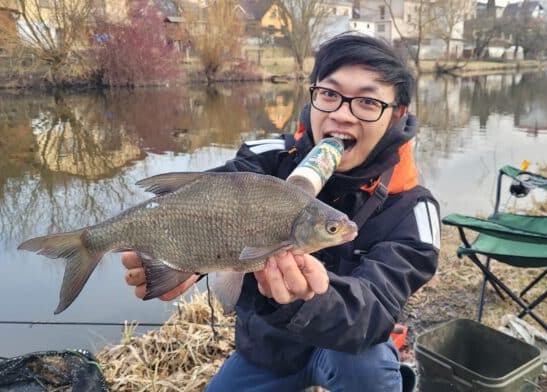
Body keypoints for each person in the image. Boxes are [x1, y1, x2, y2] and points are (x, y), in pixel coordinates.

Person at [122, 34, 440, 392]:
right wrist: (186, 263)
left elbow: (376, 310)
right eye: (329, 94)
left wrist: (306, 298)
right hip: (266, 350)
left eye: (367, 101)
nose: (341, 115)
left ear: (396, 114)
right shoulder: (266, 158)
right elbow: (200, 205)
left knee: (368, 370)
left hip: (348, 351)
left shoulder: (412, 207)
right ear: (313, 95)